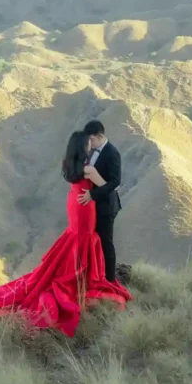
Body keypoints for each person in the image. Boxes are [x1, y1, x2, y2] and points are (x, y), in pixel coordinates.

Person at [0, 130, 131, 337]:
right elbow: (111, 187)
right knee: (84, 238)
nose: (91, 146)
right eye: (88, 144)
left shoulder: (70, 165)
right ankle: (81, 275)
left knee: (76, 236)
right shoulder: (89, 168)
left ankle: (77, 272)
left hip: (76, 203)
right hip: (85, 206)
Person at [79, 120, 122, 284]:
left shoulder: (112, 153)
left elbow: (115, 182)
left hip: (106, 205)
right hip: (92, 206)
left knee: (106, 242)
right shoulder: (91, 151)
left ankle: (110, 280)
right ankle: (95, 275)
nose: (90, 143)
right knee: (92, 241)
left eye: (92, 140)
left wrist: (93, 194)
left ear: (101, 136)